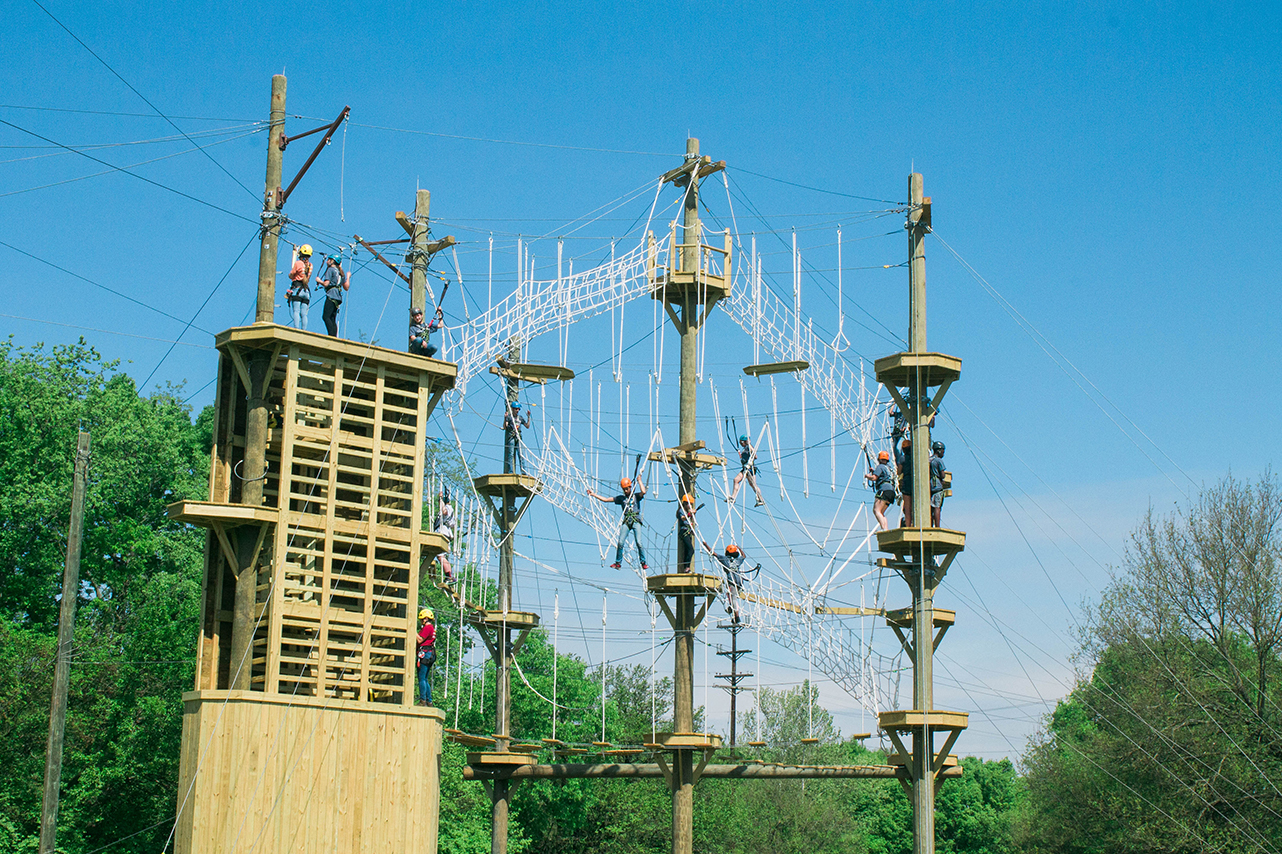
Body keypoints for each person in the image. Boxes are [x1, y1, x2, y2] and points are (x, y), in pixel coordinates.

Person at [588, 476, 648, 571]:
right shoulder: (621, 498)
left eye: (627, 489)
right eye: (624, 489)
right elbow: (606, 499)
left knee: (639, 542)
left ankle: (643, 562)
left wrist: (640, 481)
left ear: (630, 487)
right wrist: (594, 494)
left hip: (636, 521)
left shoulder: (636, 496)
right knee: (620, 542)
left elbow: (643, 492)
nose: (625, 491)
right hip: (627, 521)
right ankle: (618, 563)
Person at [702, 540, 749, 622]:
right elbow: (744, 556)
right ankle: (732, 609)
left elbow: (713, 553)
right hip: (739, 582)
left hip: (732, 582)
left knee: (733, 598)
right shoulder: (737, 560)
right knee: (731, 596)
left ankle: (736, 616)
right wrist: (740, 548)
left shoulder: (724, 559)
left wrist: (706, 544)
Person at [726, 434, 766, 507]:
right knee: (736, 480)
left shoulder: (749, 447)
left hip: (750, 469)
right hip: (745, 468)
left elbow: (755, 456)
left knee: (753, 485)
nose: (741, 444)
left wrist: (749, 444)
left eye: (742, 442)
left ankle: (761, 499)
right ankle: (733, 497)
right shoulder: (745, 449)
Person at [317, 254, 349, 337]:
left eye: (329, 260)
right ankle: (334, 335)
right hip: (338, 296)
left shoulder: (330, 270)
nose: (327, 261)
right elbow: (346, 287)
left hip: (331, 295)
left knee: (326, 316)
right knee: (332, 318)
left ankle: (331, 335)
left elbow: (326, 284)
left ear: (332, 261)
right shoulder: (340, 273)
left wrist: (319, 281)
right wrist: (348, 277)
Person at [865, 450, 896, 530]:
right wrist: (874, 471)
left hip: (884, 489)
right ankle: (885, 529)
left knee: (876, 510)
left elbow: (874, 478)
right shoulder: (889, 468)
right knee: (881, 513)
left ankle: (883, 528)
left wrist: (867, 476)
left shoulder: (880, 467)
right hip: (891, 491)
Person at [286, 244, 314, 330]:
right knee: (304, 314)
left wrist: (291, 275)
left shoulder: (298, 263)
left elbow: (291, 275)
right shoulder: (310, 266)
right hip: (306, 291)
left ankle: (296, 329)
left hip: (297, 289)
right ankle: (304, 330)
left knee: (296, 311)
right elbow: (307, 278)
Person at [503, 401, 531, 474]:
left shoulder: (520, 418)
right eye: (516, 409)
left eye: (518, 409)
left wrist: (528, 417)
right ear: (512, 409)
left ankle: (523, 471)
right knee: (511, 454)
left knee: (521, 455)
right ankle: (510, 472)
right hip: (511, 437)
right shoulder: (509, 417)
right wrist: (505, 418)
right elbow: (505, 427)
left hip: (518, 437)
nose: (517, 410)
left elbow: (527, 426)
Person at [416, 608, 436, 706]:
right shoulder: (431, 628)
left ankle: (423, 700)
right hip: (429, 653)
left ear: (426, 618)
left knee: (422, 678)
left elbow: (420, 640)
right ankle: (429, 701)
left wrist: (412, 632)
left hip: (425, 653)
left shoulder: (428, 628)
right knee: (425, 678)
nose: (421, 621)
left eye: (422, 619)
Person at [434, 488, 456, 580]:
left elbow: (444, 512)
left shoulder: (448, 508)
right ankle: (449, 575)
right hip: (446, 532)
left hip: (442, 532)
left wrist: (440, 500)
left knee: (440, 556)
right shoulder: (451, 510)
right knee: (441, 556)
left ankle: (449, 576)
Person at [676, 493, 697, 572]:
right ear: (685, 503)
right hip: (684, 531)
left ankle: (686, 567)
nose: (691, 506)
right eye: (690, 504)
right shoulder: (681, 511)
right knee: (691, 549)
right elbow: (683, 518)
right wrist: (689, 514)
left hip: (687, 531)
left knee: (687, 550)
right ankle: (687, 567)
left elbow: (689, 521)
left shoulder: (686, 511)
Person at [896, 438, 914, 527]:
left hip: (907, 481)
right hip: (916, 481)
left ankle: (908, 525)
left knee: (907, 507)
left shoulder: (902, 458)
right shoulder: (915, 457)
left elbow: (899, 472)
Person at [929, 441, 947, 527]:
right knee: (937, 506)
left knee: (930, 507)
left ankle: (930, 524)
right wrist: (942, 478)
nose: (943, 453)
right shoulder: (939, 461)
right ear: (939, 450)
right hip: (937, 486)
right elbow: (942, 475)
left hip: (929, 485)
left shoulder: (929, 460)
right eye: (943, 451)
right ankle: (937, 526)